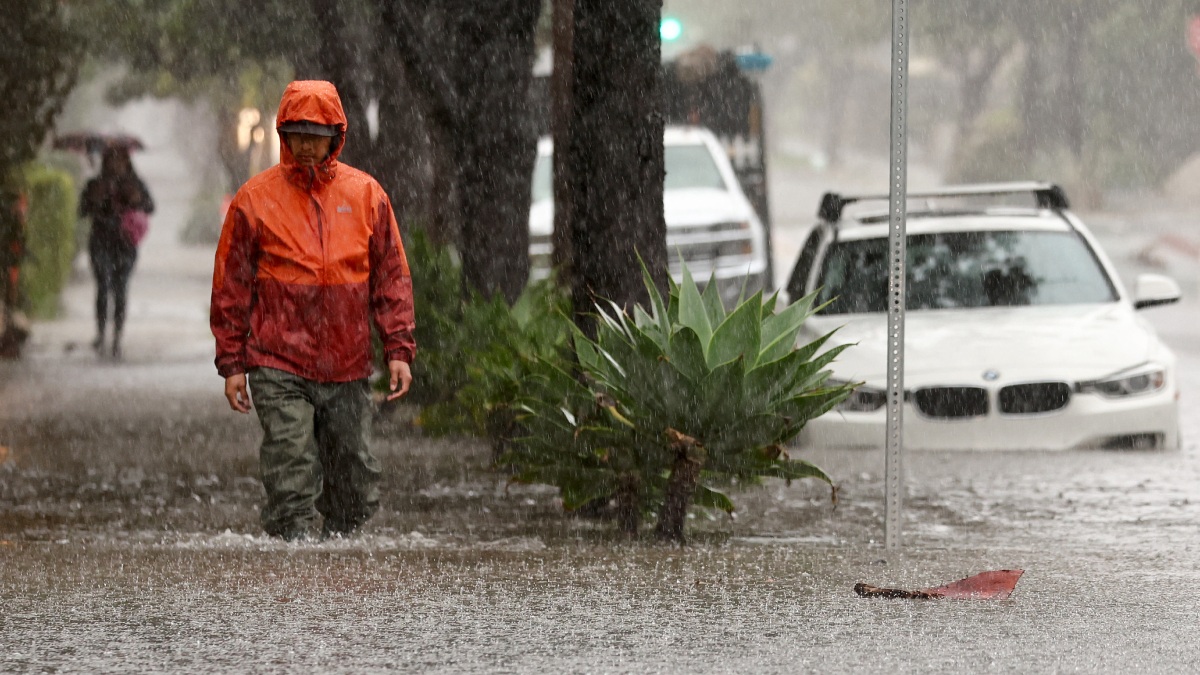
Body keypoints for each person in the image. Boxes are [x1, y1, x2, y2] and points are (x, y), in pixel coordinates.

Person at [210, 80, 416, 542]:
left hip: (347, 365)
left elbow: (391, 277)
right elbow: (231, 286)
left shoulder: (367, 196)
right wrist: (232, 364)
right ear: (283, 134)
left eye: (316, 134)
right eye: (297, 134)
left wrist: (398, 348)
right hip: (276, 361)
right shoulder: (253, 200)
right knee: (290, 471)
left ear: (335, 137)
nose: (306, 145)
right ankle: (295, 559)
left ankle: (336, 551)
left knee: (356, 481)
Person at [79, 145, 154, 358]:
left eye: (119, 159)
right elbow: (82, 210)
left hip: (125, 245)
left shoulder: (134, 184)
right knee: (103, 286)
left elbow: (150, 206)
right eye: (110, 159)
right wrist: (95, 199)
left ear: (126, 161)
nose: (115, 164)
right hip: (101, 242)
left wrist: (136, 199)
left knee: (120, 289)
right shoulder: (95, 184)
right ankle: (101, 334)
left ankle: (117, 336)